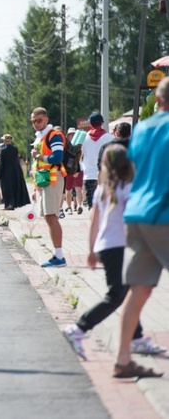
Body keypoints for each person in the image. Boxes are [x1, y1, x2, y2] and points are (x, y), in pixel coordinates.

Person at [62, 145, 165, 360]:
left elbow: (94, 223)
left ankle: (136, 339)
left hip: (107, 247)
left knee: (128, 293)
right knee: (117, 295)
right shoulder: (129, 188)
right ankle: (78, 329)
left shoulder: (102, 189)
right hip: (120, 246)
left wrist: (91, 250)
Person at [113, 77, 169, 379]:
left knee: (139, 290)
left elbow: (133, 170)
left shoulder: (143, 129)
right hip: (164, 212)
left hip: (136, 213)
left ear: (157, 101)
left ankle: (123, 359)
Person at [29, 107, 67, 268]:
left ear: (46, 119)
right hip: (45, 182)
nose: (36, 124)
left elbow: (58, 157)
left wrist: (39, 156)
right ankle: (57, 255)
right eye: (33, 121)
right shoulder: (42, 137)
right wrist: (35, 187)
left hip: (53, 180)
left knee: (51, 216)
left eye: (39, 120)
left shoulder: (54, 135)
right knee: (49, 217)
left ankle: (59, 256)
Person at [81, 112, 114, 209]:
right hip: (105, 175)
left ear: (90, 124)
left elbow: (79, 154)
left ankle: (93, 223)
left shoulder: (83, 138)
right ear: (102, 123)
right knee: (105, 206)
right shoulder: (110, 138)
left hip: (89, 175)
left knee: (92, 207)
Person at [0, 134, 30, 210]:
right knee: (14, 187)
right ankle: (13, 203)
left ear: (4, 141)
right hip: (15, 171)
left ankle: (8, 204)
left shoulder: (3, 151)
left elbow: (1, 163)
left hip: (6, 172)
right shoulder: (15, 149)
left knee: (6, 189)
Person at [63, 128, 84, 215]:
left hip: (78, 169)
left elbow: (82, 158)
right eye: (70, 134)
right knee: (68, 190)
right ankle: (69, 207)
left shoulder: (80, 145)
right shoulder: (66, 145)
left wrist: (77, 170)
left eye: (73, 134)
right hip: (69, 169)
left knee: (78, 188)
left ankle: (79, 205)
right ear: (67, 135)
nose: (72, 136)